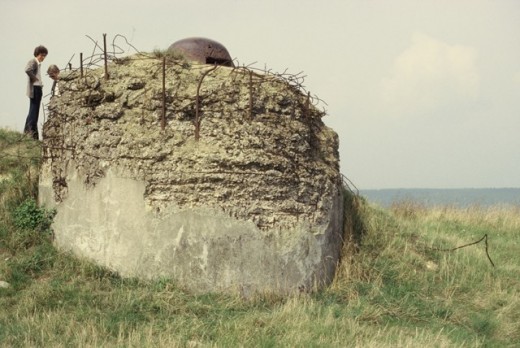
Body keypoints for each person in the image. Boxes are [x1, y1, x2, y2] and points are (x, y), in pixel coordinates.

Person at [24, 45, 48, 140]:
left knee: (33, 112)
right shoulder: (33, 61)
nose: (43, 57)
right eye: (42, 55)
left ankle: (27, 133)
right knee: (34, 113)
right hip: (35, 89)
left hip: (37, 88)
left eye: (44, 55)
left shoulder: (37, 63)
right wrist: (35, 79)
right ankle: (32, 135)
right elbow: (27, 70)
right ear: (37, 54)